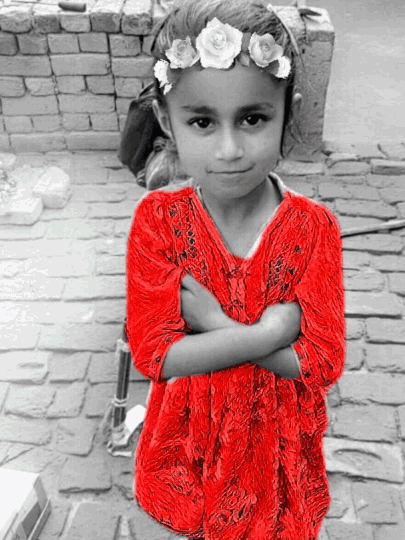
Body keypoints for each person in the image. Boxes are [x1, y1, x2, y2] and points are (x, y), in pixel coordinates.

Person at [125, 0, 346, 538]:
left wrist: (213, 325)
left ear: (288, 113)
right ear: (166, 120)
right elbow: (156, 355)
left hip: (279, 454)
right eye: (202, 122)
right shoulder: (159, 222)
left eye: (252, 119)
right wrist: (267, 334)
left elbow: (322, 362)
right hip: (189, 448)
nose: (229, 150)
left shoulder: (313, 229)